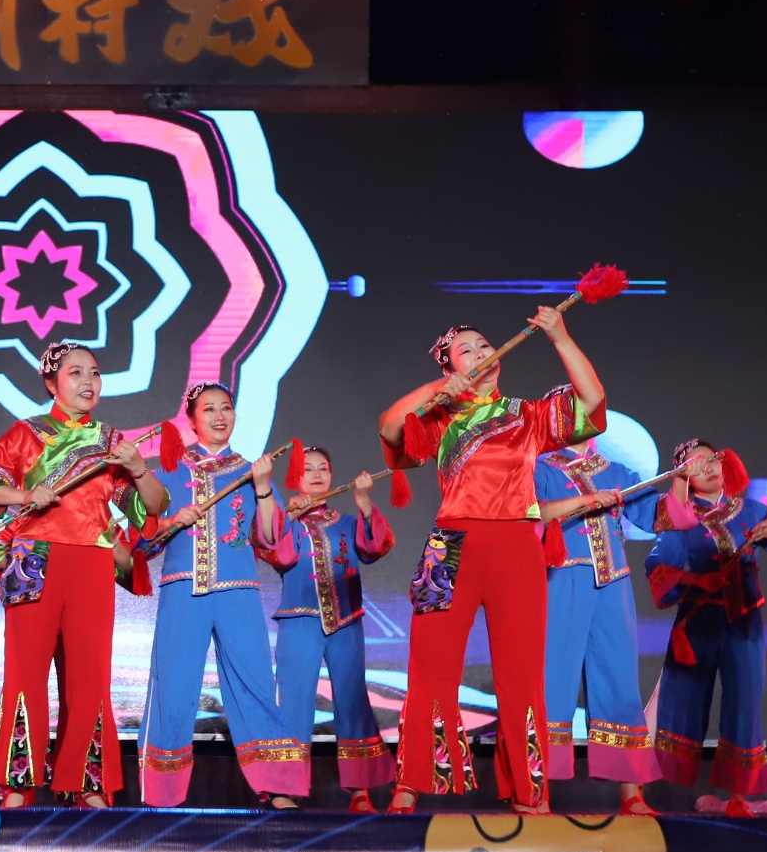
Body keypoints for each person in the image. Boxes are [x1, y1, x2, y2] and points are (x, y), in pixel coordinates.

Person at [376, 305, 606, 813]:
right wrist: (440, 392)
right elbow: (392, 427)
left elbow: (592, 403)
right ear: (451, 367)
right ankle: (410, 784)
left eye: (484, 347)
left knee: (522, 674)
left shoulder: (527, 415)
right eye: (467, 352)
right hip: (449, 547)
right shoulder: (436, 421)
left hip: (518, 548)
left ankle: (531, 792)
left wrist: (561, 338)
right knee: (429, 668)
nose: (482, 355)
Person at [0, 342, 168, 808]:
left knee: (89, 679)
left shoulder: (111, 442)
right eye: (76, 373)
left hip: (92, 564)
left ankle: (85, 782)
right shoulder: (27, 433)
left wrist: (138, 469)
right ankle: (18, 782)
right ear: (52, 382)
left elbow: (151, 508)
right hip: (32, 559)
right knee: (25, 674)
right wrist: (23, 495)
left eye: (95, 373)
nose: (88, 382)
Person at [138, 383, 307, 807]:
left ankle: (277, 785)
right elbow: (143, 543)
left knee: (255, 685)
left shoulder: (251, 471)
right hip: (183, 590)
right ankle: (162, 792)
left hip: (238, 594)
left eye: (226, 407)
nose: (219, 415)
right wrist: (173, 520)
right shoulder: (170, 473)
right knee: (173, 687)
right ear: (191, 420)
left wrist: (265, 487)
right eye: (208, 409)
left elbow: (272, 539)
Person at [644, 440, 767, 814]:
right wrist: (698, 581)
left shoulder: (748, 509)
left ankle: (738, 798)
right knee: (683, 704)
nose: (708, 468)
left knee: (744, 705)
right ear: (683, 478)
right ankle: (670, 797)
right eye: (694, 466)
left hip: (744, 624)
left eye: (711, 459)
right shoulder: (679, 519)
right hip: (697, 625)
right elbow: (659, 567)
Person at [534, 437, 660, 812]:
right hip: (562, 579)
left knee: (620, 682)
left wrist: (686, 479)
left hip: (613, 583)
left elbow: (658, 514)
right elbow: (532, 513)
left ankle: (631, 793)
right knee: (552, 681)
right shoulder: (539, 468)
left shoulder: (615, 471)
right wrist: (586, 502)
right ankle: (536, 789)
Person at [266, 446, 395, 810]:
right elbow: (280, 554)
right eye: (308, 469)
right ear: (296, 477)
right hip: (299, 619)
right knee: (293, 702)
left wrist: (364, 501)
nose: (318, 473)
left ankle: (360, 790)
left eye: (324, 467)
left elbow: (375, 547)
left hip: (346, 622)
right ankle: (283, 788)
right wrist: (290, 518)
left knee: (353, 701)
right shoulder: (283, 519)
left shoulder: (347, 521)